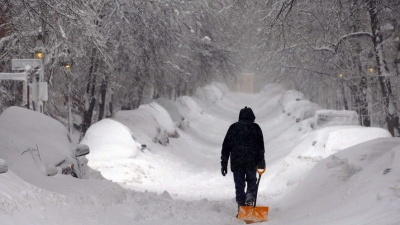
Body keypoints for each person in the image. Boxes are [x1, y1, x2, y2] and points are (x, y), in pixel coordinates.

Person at [221, 106, 265, 209]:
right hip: (251, 161)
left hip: (237, 162)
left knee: (239, 185)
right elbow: (260, 147)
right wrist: (261, 161)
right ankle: (250, 195)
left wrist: (224, 163)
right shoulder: (256, 128)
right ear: (252, 117)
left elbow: (226, 147)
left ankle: (241, 206)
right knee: (251, 182)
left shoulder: (233, 128)